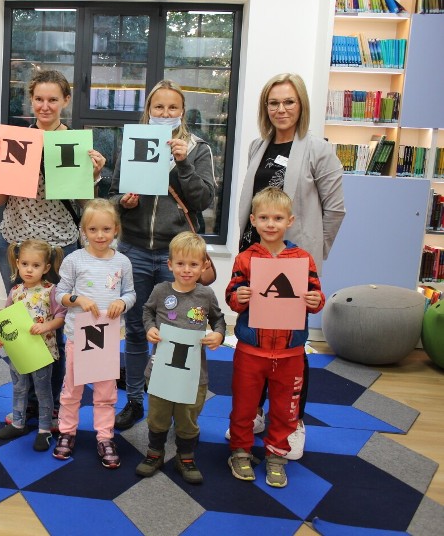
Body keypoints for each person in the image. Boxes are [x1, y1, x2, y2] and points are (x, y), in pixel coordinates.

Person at [0, 69, 106, 431]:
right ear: (31, 100)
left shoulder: (76, 143)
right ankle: (23, 409)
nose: (45, 105)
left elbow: (86, 203)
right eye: (39, 98)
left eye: (53, 99)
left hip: (59, 248)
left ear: (65, 101)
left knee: (52, 328)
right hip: (15, 242)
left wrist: (95, 174)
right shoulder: (15, 140)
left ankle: (51, 409)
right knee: (20, 327)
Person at [235, 73, 345, 459]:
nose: (281, 109)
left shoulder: (317, 149)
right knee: (256, 341)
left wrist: (311, 254)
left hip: (293, 263)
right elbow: (252, 202)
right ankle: (264, 412)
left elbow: (335, 208)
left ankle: (293, 421)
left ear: (301, 106)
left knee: (292, 345)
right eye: (273, 103)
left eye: (288, 102)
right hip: (256, 259)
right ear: (265, 108)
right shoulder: (257, 145)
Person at [109, 80, 216, 431]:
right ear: (148, 110)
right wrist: (123, 203)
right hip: (135, 249)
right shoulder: (132, 143)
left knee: (179, 331)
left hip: (179, 256)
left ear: (182, 111)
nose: (165, 114)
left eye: (173, 108)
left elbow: (203, 201)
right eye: (159, 108)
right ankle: (137, 400)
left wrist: (183, 164)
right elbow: (111, 196)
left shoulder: (199, 148)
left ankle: (170, 400)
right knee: (138, 330)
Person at [226, 187, 325, 488]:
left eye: (278, 218)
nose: (271, 224)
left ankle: (276, 454)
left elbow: (317, 296)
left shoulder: (302, 259)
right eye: (265, 218)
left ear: (290, 221)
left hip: (289, 352)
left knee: (285, 408)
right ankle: (241, 451)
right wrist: (239, 297)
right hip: (251, 350)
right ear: (253, 221)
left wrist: (314, 301)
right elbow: (232, 296)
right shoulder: (246, 259)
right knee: (244, 404)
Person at [135, 232, 226, 483]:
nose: (187, 270)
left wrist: (218, 335)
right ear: (170, 264)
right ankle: (155, 452)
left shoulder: (206, 295)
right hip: (161, 370)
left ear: (204, 265)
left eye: (194, 264)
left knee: (187, 416)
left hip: (194, 373)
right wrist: (149, 328)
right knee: (158, 414)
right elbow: (147, 312)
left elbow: (219, 320)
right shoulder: (161, 291)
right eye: (181, 264)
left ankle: (185, 456)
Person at [53, 199, 136, 469]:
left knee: (105, 392)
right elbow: (60, 294)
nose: (100, 235)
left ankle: (104, 436)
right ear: (83, 230)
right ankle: (67, 432)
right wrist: (77, 299)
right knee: (71, 389)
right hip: (78, 337)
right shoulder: (74, 260)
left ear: (116, 230)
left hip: (108, 339)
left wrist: (122, 303)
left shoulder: (122, 262)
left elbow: (130, 293)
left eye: (106, 229)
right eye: (93, 230)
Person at [0, 240, 66, 451]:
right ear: (17, 263)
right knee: (19, 387)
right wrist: (1, 337)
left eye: (35, 265)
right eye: (25, 264)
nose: (29, 269)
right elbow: (5, 319)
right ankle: (18, 423)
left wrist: (47, 327)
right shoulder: (15, 291)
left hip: (42, 351)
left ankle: (44, 430)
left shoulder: (50, 291)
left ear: (46, 268)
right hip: (18, 350)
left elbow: (61, 316)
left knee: (43, 391)